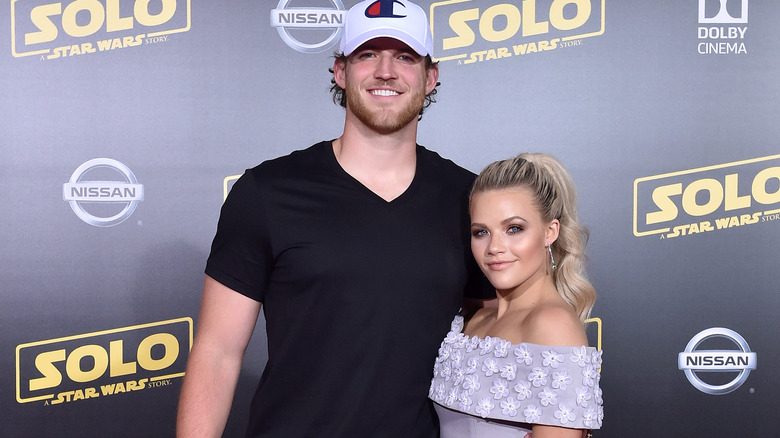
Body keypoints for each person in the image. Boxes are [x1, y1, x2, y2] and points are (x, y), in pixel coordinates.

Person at [176, 1, 491, 437]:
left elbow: (501, 329)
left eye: (404, 56)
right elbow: (218, 352)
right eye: (367, 54)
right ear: (340, 72)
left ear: (430, 77)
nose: (386, 71)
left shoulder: (471, 200)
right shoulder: (267, 192)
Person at [429, 153, 603, 438]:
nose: (495, 247)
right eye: (481, 232)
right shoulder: (471, 320)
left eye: (514, 229)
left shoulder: (552, 324)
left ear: (550, 231)